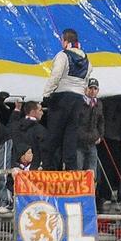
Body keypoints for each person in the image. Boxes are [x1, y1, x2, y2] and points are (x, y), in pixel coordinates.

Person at [40, 29, 90, 170]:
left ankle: (48, 169)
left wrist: (46, 94)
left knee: (53, 135)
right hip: (78, 99)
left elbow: (55, 76)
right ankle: (71, 170)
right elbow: (86, 80)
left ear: (66, 41)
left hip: (62, 98)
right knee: (71, 137)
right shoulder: (87, 59)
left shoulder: (63, 56)